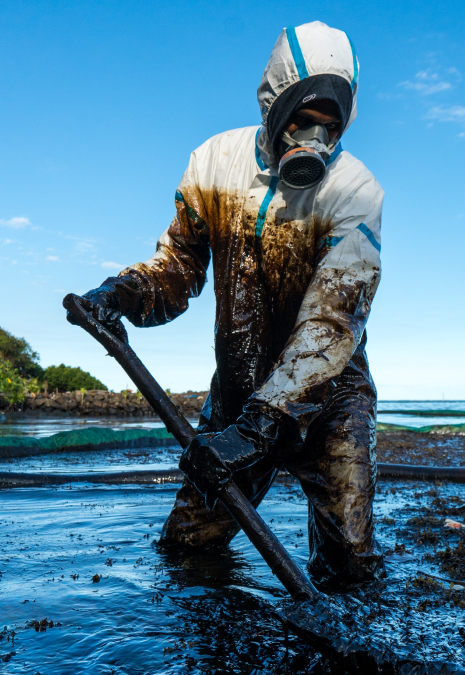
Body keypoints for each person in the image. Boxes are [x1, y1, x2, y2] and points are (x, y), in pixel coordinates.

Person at [67, 22, 385, 585]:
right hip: (240, 394)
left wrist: (261, 427)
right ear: (274, 102)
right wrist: (120, 294)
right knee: (187, 550)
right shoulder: (214, 165)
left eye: (329, 128)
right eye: (301, 121)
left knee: (350, 566)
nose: (313, 140)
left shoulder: (355, 192)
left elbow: (331, 321)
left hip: (329, 402)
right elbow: (177, 270)